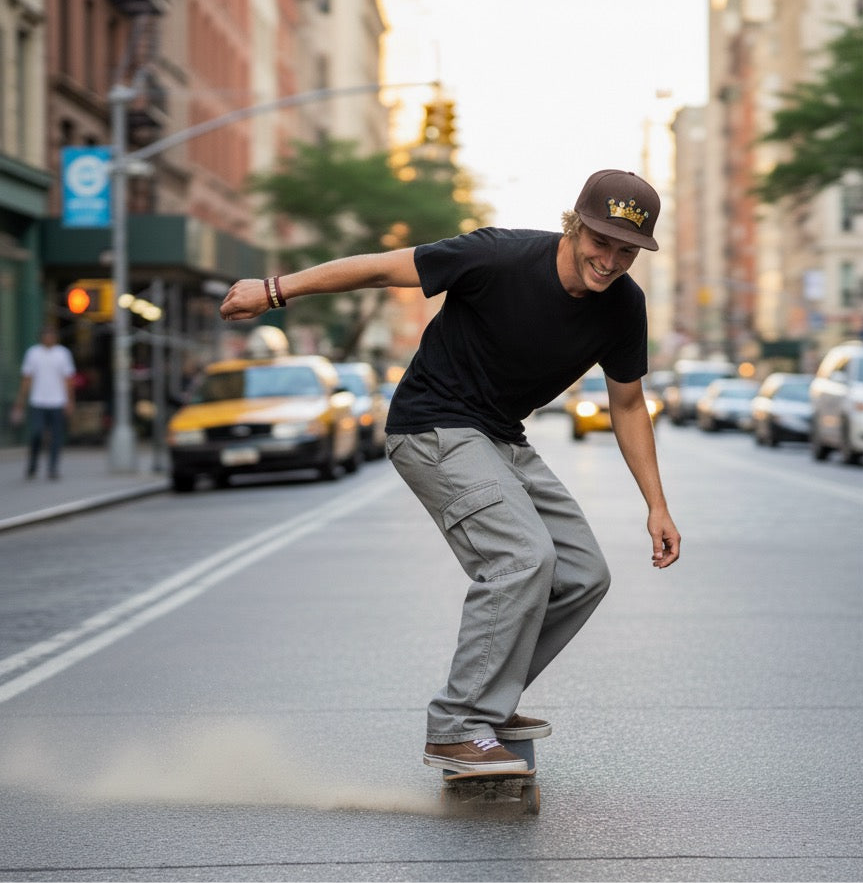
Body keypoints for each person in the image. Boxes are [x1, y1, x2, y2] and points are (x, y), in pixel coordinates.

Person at [220, 168, 681, 774]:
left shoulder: (624, 306)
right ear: (573, 226)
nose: (611, 262)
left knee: (583, 575)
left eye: (627, 251)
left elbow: (626, 404)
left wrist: (657, 504)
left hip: (499, 436)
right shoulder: (498, 256)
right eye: (601, 243)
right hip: (431, 426)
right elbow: (384, 267)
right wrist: (276, 290)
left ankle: (488, 702)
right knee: (522, 558)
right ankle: (458, 725)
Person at [12, 326, 77, 480]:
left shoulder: (63, 354)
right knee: (36, 433)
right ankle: (33, 463)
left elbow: (68, 380)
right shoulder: (33, 353)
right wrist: (20, 402)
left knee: (56, 436)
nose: (49, 338)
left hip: (57, 401)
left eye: (51, 335)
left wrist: (70, 401)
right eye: (46, 335)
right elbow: (27, 379)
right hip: (38, 401)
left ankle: (52, 468)